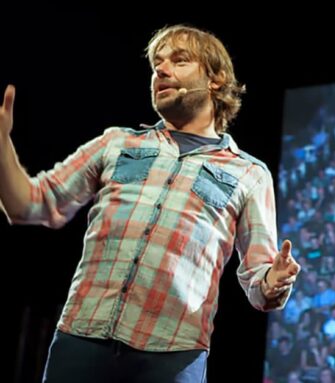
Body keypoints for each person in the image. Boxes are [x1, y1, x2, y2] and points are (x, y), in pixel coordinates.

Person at [0, 24, 300, 382]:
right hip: (81, 342)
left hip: (172, 357)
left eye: (180, 60)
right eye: (157, 63)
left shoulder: (249, 173)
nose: (161, 69)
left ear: (216, 80)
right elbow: (29, 204)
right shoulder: (116, 143)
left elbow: (259, 283)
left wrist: (274, 281)